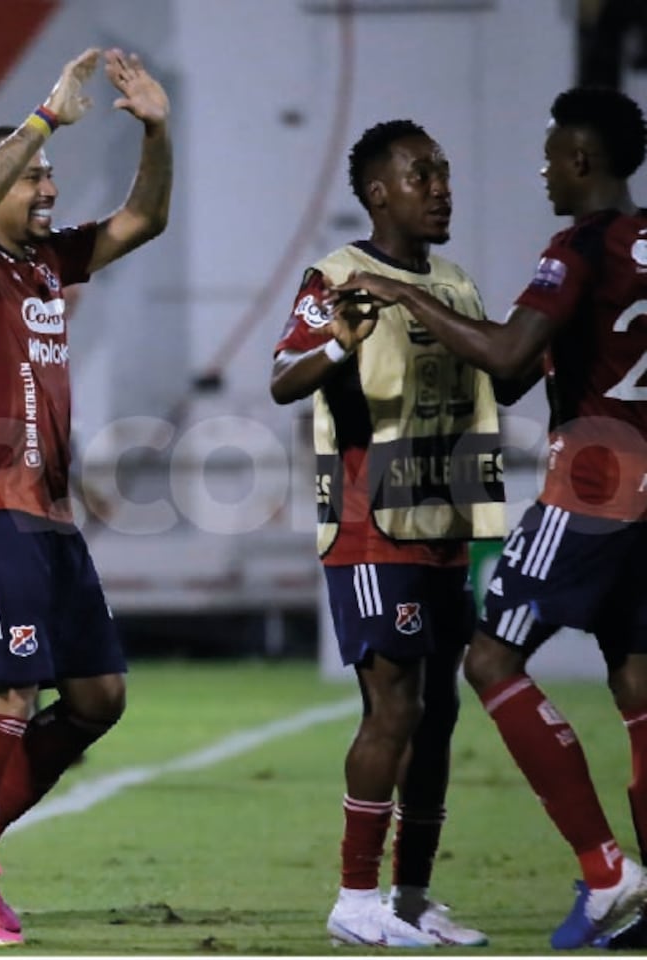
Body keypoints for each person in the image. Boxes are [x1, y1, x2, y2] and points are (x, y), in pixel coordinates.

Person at [330, 86, 647, 951]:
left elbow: (507, 352)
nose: (543, 175)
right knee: (637, 687)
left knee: (491, 657)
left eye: (550, 161)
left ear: (580, 160)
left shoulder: (578, 246)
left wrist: (407, 298)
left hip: (595, 483)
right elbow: (512, 373)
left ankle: (606, 871)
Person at [0, 47, 170, 948]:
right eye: (32, 178)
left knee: (98, 697)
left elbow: (145, 218)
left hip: (49, 520)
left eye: (50, 175)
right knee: (5, 701)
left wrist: (157, 130)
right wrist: (45, 118)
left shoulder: (47, 265)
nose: (48, 189)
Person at [270, 119, 506, 948]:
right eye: (421, 176)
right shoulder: (338, 277)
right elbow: (282, 378)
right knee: (394, 708)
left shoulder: (455, 283)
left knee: (438, 712)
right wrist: (338, 345)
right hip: (370, 524)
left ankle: (410, 897)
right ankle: (354, 898)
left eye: (443, 174)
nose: (441, 189)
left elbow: (501, 374)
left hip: (444, 520)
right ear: (378, 193)